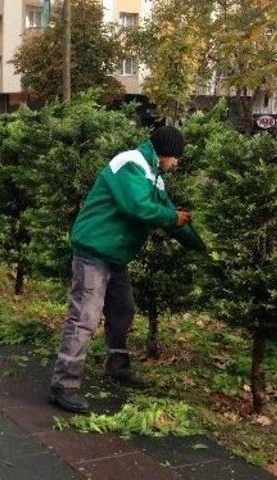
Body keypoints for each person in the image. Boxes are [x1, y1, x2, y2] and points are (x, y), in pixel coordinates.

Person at [48, 126, 206, 414]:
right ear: (166, 153)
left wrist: (200, 247)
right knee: (84, 317)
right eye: (177, 157)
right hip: (94, 251)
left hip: (115, 254)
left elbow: (170, 215)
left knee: (123, 309)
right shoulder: (131, 163)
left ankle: (117, 366)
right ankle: (64, 385)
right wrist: (173, 217)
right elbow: (137, 207)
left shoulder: (153, 175)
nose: (178, 163)